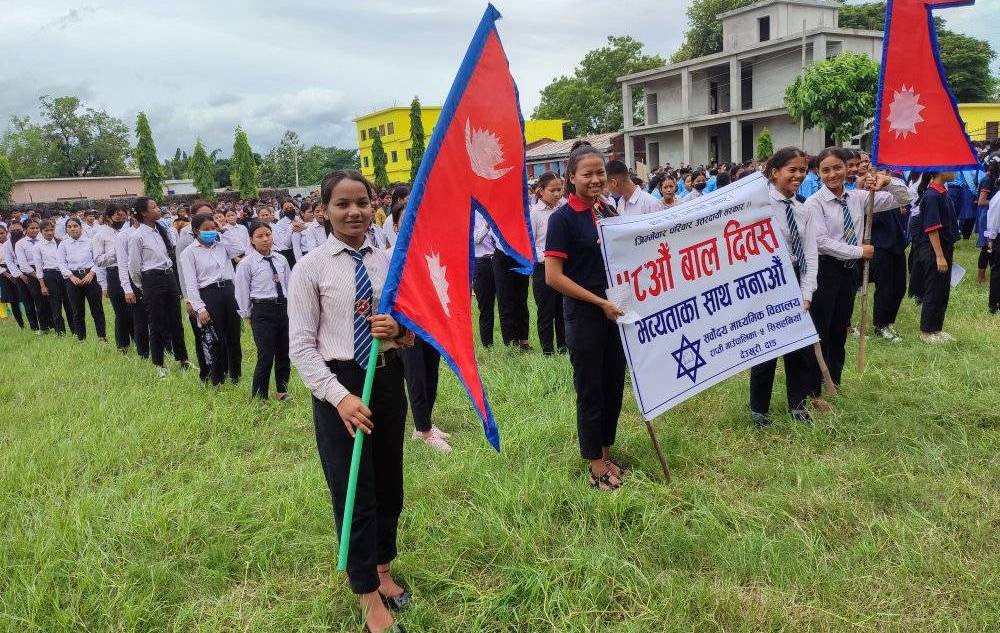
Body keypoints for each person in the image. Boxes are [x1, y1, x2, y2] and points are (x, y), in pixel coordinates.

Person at [288, 170, 413, 633]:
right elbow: (300, 347)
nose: (354, 212)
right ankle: (365, 592)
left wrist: (397, 332)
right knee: (353, 488)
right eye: (342, 204)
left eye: (361, 202)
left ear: (373, 204)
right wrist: (340, 398)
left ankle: (382, 566)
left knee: (388, 483)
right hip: (339, 385)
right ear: (324, 210)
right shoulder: (310, 268)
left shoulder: (387, 262)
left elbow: (412, 332)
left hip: (385, 378)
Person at [543, 143, 627, 492]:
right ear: (571, 177)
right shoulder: (562, 219)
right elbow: (553, 276)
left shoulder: (608, 210)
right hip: (585, 316)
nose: (595, 180)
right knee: (591, 390)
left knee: (613, 387)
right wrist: (598, 302)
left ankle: (607, 453)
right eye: (587, 174)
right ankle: (594, 464)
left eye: (600, 173)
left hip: (615, 314)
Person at [805, 147, 910, 387]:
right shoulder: (814, 203)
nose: (832, 174)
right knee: (821, 330)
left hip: (849, 272)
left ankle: (834, 381)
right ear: (818, 172)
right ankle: (813, 388)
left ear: (848, 168)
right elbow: (821, 241)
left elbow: (904, 198)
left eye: (837, 168)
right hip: (825, 270)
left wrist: (887, 181)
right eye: (826, 170)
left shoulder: (859, 197)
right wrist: (859, 251)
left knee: (839, 330)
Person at [749, 148, 822, 426]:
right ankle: (759, 410)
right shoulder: (758, 206)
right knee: (766, 347)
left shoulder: (804, 210)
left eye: (802, 170)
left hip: (794, 277)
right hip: (765, 280)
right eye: (792, 169)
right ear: (775, 172)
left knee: (799, 348)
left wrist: (806, 292)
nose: (798, 175)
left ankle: (798, 406)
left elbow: (811, 255)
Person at [128, 197, 190, 377]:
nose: (158, 209)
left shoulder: (160, 230)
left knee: (176, 320)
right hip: (151, 279)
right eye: (154, 207)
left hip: (168, 276)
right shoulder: (137, 236)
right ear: (144, 213)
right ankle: (159, 364)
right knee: (157, 323)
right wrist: (144, 285)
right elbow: (134, 266)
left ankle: (183, 359)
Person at [180, 212, 243, 385]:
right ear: (196, 231)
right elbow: (191, 283)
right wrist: (200, 308)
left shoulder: (222, 245)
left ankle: (235, 375)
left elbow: (239, 248)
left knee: (233, 335)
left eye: (212, 228)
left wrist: (222, 230)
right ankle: (217, 378)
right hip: (209, 294)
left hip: (229, 291)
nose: (210, 232)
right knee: (215, 339)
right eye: (205, 230)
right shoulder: (189, 253)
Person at [236, 223, 291, 400]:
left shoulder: (280, 259)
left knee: (284, 352)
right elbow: (242, 291)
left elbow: (289, 284)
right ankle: (260, 396)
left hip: (283, 308)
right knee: (266, 354)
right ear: (252, 240)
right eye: (260, 236)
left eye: (268, 234)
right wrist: (247, 314)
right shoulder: (246, 264)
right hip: (262, 310)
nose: (265, 239)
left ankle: (282, 390)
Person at [913, 171, 958, 342]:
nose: (954, 172)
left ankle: (936, 329)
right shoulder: (932, 196)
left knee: (942, 290)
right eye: (951, 168)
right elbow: (932, 228)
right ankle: (926, 331)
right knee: (933, 290)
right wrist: (939, 256)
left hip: (944, 247)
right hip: (933, 249)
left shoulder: (942, 192)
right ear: (941, 170)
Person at [871, 171, 911, 343]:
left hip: (896, 243)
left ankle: (889, 321)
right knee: (885, 287)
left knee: (899, 286)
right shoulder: (865, 194)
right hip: (880, 245)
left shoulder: (890, 190)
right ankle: (880, 325)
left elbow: (906, 196)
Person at [529, 172, 566, 355]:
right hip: (543, 268)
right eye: (553, 190)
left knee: (562, 309)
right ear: (541, 191)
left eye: (560, 189)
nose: (558, 194)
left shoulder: (563, 208)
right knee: (546, 311)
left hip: (563, 266)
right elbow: (531, 243)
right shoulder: (534, 213)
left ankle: (563, 347)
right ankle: (548, 351)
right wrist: (546, 258)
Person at [58, 217, 107, 342]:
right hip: (73, 279)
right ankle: (81, 339)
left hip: (90, 277)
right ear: (66, 230)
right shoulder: (63, 244)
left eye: (75, 226)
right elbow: (61, 263)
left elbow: (97, 260)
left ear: (81, 227)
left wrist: (91, 273)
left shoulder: (90, 242)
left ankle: (102, 337)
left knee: (97, 309)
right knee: (77, 311)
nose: (73, 228)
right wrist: (71, 276)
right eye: (69, 227)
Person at [94, 204, 134, 352]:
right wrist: (117, 252)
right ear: (109, 217)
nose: (121, 219)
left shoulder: (130, 231)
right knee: (121, 312)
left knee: (135, 311)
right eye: (117, 216)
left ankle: (140, 342)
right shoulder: (100, 235)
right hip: (114, 274)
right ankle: (123, 345)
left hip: (131, 272)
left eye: (124, 216)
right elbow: (98, 261)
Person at [36, 220, 75, 336]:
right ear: (41, 231)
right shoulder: (38, 246)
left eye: (51, 230)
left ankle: (75, 330)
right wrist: (42, 285)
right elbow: (39, 268)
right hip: (50, 275)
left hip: (64, 274)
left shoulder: (60, 243)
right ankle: (60, 332)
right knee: (55, 305)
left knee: (69, 304)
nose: (49, 233)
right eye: (46, 231)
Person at [14, 219, 51, 333]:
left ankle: (54, 324)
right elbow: (23, 265)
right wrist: (38, 276)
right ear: (25, 229)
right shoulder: (20, 244)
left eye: (36, 228)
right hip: (32, 273)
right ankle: (44, 327)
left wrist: (45, 273)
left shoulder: (43, 240)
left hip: (46, 270)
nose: (35, 230)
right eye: (32, 228)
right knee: (38, 301)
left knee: (50, 300)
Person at [3, 220, 38, 331]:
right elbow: (9, 262)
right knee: (27, 301)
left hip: (34, 271)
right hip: (18, 274)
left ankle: (45, 323)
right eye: (12, 230)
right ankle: (34, 326)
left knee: (39, 299)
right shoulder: (6, 245)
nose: (15, 232)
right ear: (9, 231)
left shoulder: (29, 241)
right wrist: (20, 275)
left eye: (18, 230)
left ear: (23, 229)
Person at [472, 210, 497, 347]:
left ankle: (513, 340)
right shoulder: (471, 213)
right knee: (486, 305)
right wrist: (488, 224)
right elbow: (475, 239)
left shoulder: (492, 209)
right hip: (482, 262)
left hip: (499, 259)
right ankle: (488, 344)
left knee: (508, 302)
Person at [0, 226, 25, 328]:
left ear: (6, 232)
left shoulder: (15, 243)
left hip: (19, 270)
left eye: (2, 233)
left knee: (25, 297)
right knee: (13, 300)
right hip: (4, 274)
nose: (0, 236)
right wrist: (7, 274)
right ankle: (21, 324)